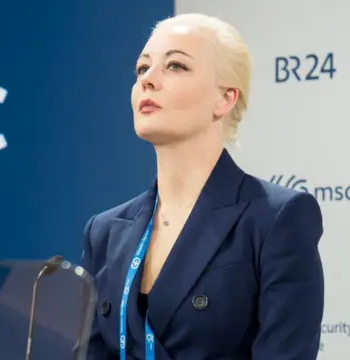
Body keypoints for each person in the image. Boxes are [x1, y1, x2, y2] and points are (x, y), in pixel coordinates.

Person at [79, 13, 325, 360]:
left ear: (224, 99)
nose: (148, 80)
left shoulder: (276, 218)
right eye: (142, 69)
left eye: (176, 65)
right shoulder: (103, 232)